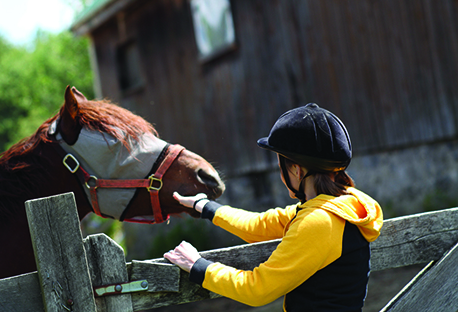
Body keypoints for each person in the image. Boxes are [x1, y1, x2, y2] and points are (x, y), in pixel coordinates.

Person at [164, 103, 383, 311]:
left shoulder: (318, 222)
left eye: (282, 166)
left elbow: (257, 289)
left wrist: (199, 266)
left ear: (297, 171)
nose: (281, 174)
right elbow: (258, 225)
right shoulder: (343, 206)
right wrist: (205, 206)